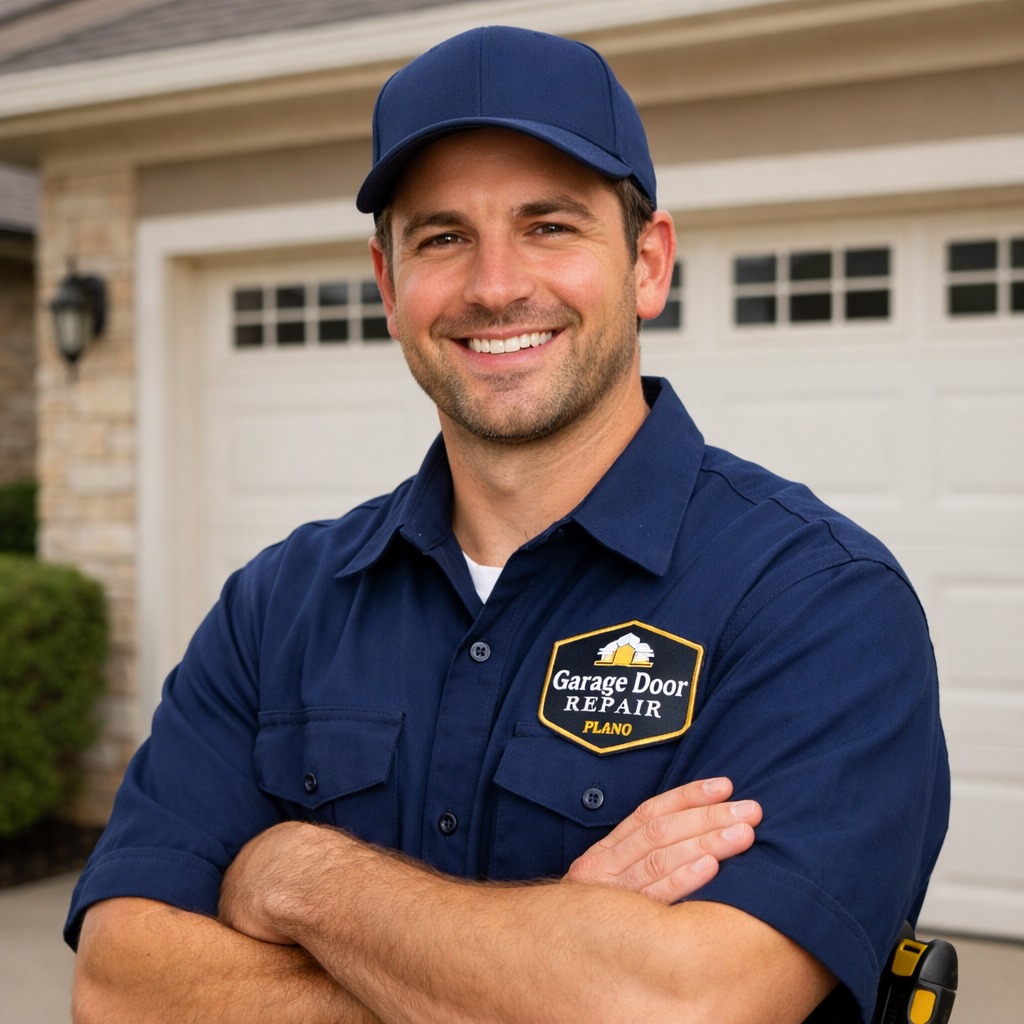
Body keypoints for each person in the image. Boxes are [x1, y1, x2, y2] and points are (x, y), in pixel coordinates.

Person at [67, 26, 949, 1024]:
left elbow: (682, 1006)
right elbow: (121, 985)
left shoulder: (815, 601)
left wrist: (299, 875)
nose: (494, 286)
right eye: (443, 236)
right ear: (389, 286)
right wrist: (542, 965)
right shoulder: (278, 607)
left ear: (647, 264)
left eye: (550, 225)